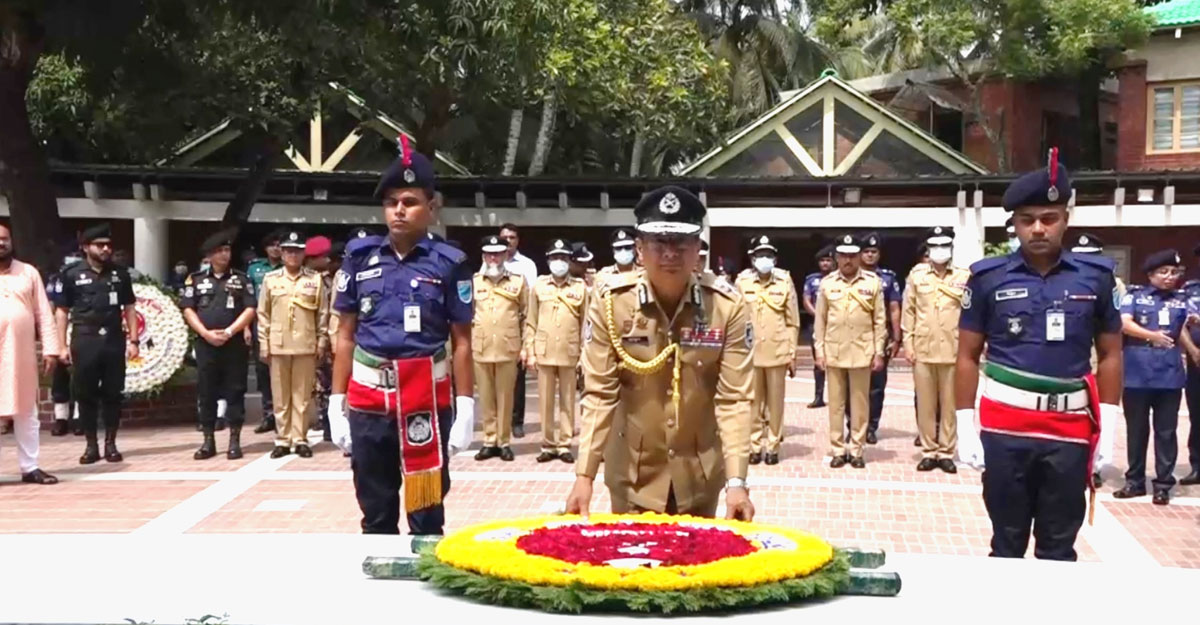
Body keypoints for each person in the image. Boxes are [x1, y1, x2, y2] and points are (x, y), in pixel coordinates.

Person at [956, 149, 1122, 561]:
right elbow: (967, 356)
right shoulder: (987, 278)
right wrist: (963, 425)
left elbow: (1110, 353)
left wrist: (1109, 427)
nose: (1038, 229)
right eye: (1027, 220)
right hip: (1006, 426)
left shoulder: (1096, 278)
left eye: (1049, 218)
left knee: (1059, 545)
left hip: (1069, 428)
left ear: (1066, 219)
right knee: (1006, 541)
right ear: (1013, 225)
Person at [564, 185, 755, 520]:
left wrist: (737, 482)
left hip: (699, 476)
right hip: (633, 477)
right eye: (659, 242)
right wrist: (584, 476)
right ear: (639, 249)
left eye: (681, 242)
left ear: (697, 248)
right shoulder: (611, 303)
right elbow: (599, 394)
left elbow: (734, 399)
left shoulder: (726, 306)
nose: (670, 253)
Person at [328, 137, 476, 535]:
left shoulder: (449, 263)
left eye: (409, 201)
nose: (398, 210)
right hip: (369, 399)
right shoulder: (359, 259)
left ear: (431, 207)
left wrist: (465, 407)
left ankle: (424, 571)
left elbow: (462, 342)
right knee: (375, 508)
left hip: (425, 395)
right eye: (391, 202)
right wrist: (336, 403)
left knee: (426, 512)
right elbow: (345, 335)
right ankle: (379, 571)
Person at [56, 224, 139, 464]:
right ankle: (91, 445)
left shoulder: (120, 274)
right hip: (85, 338)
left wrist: (134, 340)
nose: (105, 249)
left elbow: (129, 308)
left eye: (108, 245)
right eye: (99, 245)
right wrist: (61, 345)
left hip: (113, 339)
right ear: (85, 247)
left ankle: (111, 443)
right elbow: (62, 311)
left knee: (113, 392)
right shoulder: (71, 274)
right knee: (85, 393)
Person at [1115, 250, 1186, 505]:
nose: (1169, 277)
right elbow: (1124, 323)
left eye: (1174, 272)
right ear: (1150, 274)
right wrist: (1151, 335)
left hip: (1169, 374)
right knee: (1136, 430)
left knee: (1166, 432)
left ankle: (1163, 484)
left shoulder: (1182, 299)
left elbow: (1185, 330)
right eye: (1163, 272)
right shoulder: (1135, 296)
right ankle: (1134, 481)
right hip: (1138, 372)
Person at [180, 229, 257, 460]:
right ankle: (208, 441)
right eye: (220, 251)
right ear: (209, 255)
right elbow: (188, 309)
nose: (225, 254)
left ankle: (234, 440)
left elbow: (250, 308)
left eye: (227, 250)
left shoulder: (241, 279)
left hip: (233, 343)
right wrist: (205, 333)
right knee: (207, 391)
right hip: (206, 344)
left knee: (235, 390)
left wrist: (230, 331)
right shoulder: (195, 279)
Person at [901, 226, 969, 474]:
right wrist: (908, 344)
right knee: (926, 405)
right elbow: (909, 311)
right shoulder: (917, 276)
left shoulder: (964, 277)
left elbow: (970, 314)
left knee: (950, 405)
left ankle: (946, 452)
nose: (939, 250)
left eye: (944, 246)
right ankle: (929, 451)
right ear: (928, 249)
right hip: (923, 349)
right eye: (935, 246)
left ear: (951, 248)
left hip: (953, 349)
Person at [815, 234, 886, 469]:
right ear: (837, 257)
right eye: (844, 255)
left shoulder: (872, 282)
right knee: (835, 405)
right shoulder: (827, 283)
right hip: (834, 351)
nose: (848, 260)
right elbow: (820, 321)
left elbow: (879, 320)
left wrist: (878, 352)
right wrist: (819, 351)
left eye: (852, 255)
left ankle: (856, 449)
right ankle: (838, 449)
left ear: (859, 257)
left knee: (860, 404)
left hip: (862, 351)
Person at [0, 223, 64, 484]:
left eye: (4, 238)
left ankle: (30, 467)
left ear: (11, 241)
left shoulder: (28, 272)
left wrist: (51, 349)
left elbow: (43, 314)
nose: (1, 243)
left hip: (20, 354)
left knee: (26, 409)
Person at [258, 230, 330, 459]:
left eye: (297, 251)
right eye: (288, 251)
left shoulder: (314, 279)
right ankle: (282, 439)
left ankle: (300, 438)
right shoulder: (271, 280)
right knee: (280, 395)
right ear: (281, 253)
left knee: (302, 395)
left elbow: (323, 313)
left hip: (305, 343)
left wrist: (322, 341)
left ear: (303, 254)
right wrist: (264, 343)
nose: (292, 255)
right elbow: (263, 314)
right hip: (278, 344)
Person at [735, 235, 799, 465]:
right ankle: (754, 445)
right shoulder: (742, 282)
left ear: (775, 259)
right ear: (753, 259)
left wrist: (792, 353)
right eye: (760, 255)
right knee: (752, 403)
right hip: (750, 352)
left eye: (769, 255)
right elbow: (736, 319)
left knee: (775, 403)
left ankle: (772, 446)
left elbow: (792, 321)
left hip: (777, 351)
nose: (765, 259)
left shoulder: (784, 281)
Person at [1070, 232, 1125, 487]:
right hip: (1073, 357)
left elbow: (1115, 324)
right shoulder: (1066, 280)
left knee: (1101, 413)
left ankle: (1095, 466)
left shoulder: (1113, 284)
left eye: (1091, 258)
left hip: (1101, 357)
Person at [526, 239, 588, 463]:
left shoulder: (580, 288)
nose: (559, 262)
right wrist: (530, 351)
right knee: (545, 401)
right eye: (555, 258)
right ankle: (548, 444)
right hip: (544, 351)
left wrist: (584, 354)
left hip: (569, 351)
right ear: (548, 260)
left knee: (568, 400)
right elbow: (531, 321)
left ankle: (564, 444)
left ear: (569, 261)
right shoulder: (539, 286)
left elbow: (585, 324)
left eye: (562, 258)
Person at [472, 235, 527, 462]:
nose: (493, 258)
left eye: (497, 254)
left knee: (505, 397)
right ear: (484, 256)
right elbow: (467, 315)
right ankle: (489, 440)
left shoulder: (518, 281)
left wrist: (525, 347)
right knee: (485, 397)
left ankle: (504, 442)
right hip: (482, 347)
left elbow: (526, 316)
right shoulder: (475, 282)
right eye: (489, 254)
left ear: (505, 255)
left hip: (508, 347)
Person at [857, 232, 902, 444]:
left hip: (879, 338)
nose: (869, 255)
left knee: (876, 387)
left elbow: (894, 308)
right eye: (866, 251)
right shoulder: (849, 277)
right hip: (854, 338)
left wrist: (897, 337)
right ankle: (854, 426)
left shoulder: (887, 278)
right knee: (852, 386)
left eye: (873, 251)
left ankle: (871, 427)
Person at [499, 223, 537, 440]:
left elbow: (531, 299)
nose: (508, 241)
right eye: (504, 237)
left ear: (517, 240)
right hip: (496, 326)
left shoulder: (527, 265)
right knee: (496, 379)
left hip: (518, 325)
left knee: (517, 378)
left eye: (512, 237)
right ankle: (498, 424)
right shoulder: (490, 261)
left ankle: (517, 422)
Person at [248, 229, 284, 434]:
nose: (276, 249)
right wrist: (247, 328)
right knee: (262, 371)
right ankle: (268, 414)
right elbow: (248, 301)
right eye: (272, 245)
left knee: (282, 370)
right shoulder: (255, 269)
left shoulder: (289, 267)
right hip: (260, 324)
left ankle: (283, 416)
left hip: (284, 323)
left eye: (279, 245)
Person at [47, 249, 82, 437]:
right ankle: (61, 418)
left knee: (81, 377)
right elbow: (52, 307)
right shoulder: (57, 281)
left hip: (81, 331)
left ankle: (79, 417)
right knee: (60, 377)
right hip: (60, 331)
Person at [306, 235, 335, 443]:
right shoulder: (303, 281)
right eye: (322, 256)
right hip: (307, 338)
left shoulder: (330, 280)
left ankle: (329, 423)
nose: (327, 260)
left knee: (329, 382)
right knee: (313, 385)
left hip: (328, 337)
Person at [802, 246, 835, 408]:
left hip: (836, 325)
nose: (825, 263)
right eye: (822, 261)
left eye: (828, 260)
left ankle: (838, 396)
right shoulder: (812, 280)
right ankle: (818, 396)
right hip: (816, 325)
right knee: (818, 360)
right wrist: (819, 316)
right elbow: (806, 300)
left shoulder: (839, 279)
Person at [1181, 245, 1200, 486]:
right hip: (1197, 360)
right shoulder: (1190, 289)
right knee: (1197, 415)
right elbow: (1180, 323)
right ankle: (1197, 466)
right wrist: (1193, 351)